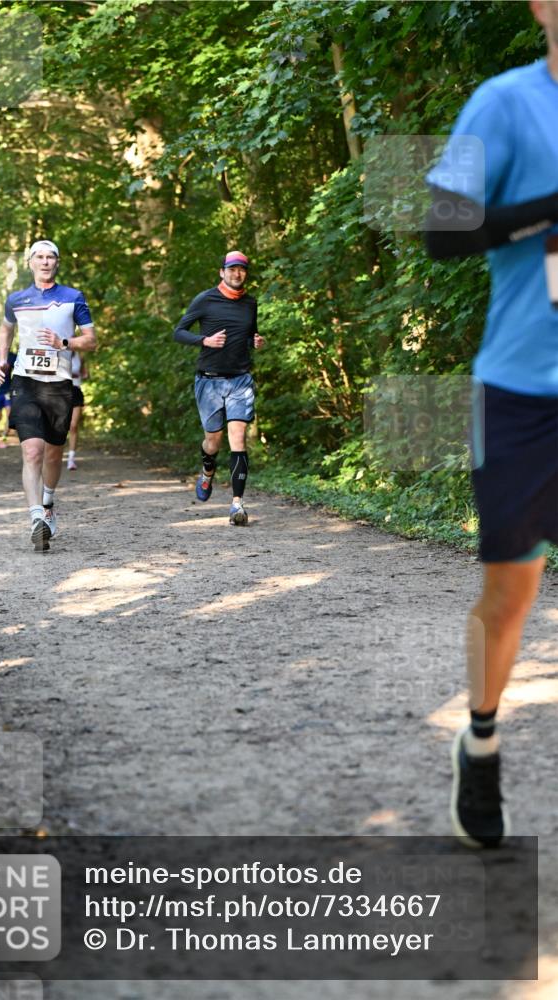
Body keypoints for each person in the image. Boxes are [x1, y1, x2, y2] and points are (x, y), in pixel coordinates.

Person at [424, 0, 558, 848]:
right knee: (510, 592)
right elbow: (442, 233)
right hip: (521, 391)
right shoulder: (503, 102)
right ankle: (479, 736)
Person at [0, 239, 96, 552]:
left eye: (51, 257)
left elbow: (91, 341)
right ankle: (36, 517)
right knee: (32, 452)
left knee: (54, 453)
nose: (45, 262)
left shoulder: (72, 297)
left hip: (60, 385)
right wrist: (2, 359)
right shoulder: (16, 298)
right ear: (30, 263)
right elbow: (5, 328)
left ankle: (49, 501)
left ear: (57, 262)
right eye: (39, 257)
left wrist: (63, 342)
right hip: (25, 381)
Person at [173, 250, 265, 526]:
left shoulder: (250, 303)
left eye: (242, 270)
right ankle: (207, 470)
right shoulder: (205, 299)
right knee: (213, 441)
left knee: (238, 438)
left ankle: (237, 505)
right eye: (233, 269)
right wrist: (205, 341)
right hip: (209, 380)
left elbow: (249, 335)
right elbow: (178, 332)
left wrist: (255, 341)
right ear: (222, 272)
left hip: (240, 379)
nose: (237, 274)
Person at [66, 352, 88, 471]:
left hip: (76, 391)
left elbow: (85, 374)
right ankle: (51, 456)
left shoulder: (80, 356)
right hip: (60, 391)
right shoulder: (58, 352)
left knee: (73, 426)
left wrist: (84, 374)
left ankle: (71, 458)